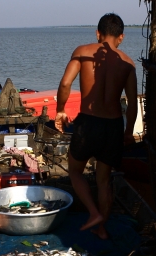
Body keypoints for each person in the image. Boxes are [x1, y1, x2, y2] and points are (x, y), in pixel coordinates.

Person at [55, 13, 137, 239]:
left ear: (98, 33)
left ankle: (93, 213)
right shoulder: (128, 64)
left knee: (74, 171)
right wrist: (128, 132)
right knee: (103, 180)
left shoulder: (82, 52)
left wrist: (61, 110)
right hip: (112, 126)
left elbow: (65, 83)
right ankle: (102, 229)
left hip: (88, 122)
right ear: (121, 36)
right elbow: (131, 104)